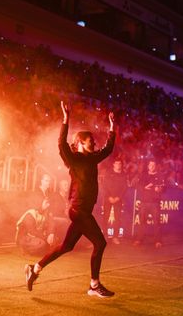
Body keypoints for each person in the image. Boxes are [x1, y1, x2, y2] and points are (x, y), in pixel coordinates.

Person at [24, 101, 116, 298]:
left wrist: (112, 128)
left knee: (66, 247)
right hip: (78, 210)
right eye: (90, 140)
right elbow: (61, 145)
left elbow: (108, 149)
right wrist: (65, 121)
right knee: (100, 244)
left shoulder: (93, 158)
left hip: (83, 211)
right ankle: (94, 285)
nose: (94, 143)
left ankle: (35, 269)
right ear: (81, 142)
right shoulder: (73, 158)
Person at [102, 159, 127, 244]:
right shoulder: (108, 173)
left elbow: (124, 188)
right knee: (105, 217)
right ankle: (104, 236)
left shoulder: (123, 174)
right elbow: (104, 185)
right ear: (113, 164)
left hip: (118, 200)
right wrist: (109, 197)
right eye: (116, 163)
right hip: (107, 199)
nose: (118, 165)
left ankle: (115, 237)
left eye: (120, 164)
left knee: (117, 218)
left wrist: (118, 197)